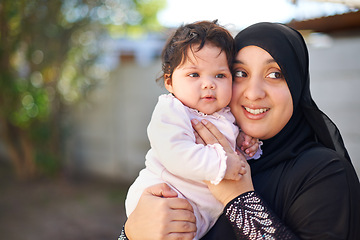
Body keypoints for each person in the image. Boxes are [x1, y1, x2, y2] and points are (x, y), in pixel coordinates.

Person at [119, 22, 360, 240]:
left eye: (275, 74)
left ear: (296, 85)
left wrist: (239, 199)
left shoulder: (325, 173)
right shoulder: (212, 144)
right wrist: (131, 233)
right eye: (240, 73)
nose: (253, 93)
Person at [124, 20, 262, 240]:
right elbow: (176, 153)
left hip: (200, 213)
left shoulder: (227, 114)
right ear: (169, 82)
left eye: (220, 75)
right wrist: (222, 164)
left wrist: (245, 145)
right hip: (165, 195)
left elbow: (230, 151)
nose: (208, 84)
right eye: (194, 75)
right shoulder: (172, 110)